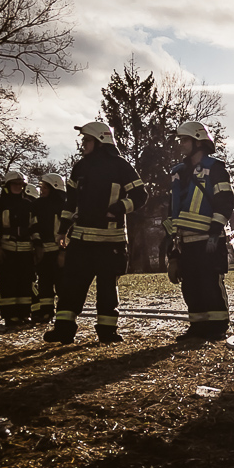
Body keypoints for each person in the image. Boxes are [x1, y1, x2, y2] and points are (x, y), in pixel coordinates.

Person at [44, 121, 147, 345]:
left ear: (101, 141)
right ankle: (63, 330)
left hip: (111, 241)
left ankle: (107, 332)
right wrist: (62, 231)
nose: (83, 144)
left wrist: (118, 208)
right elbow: (70, 203)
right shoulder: (80, 167)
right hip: (81, 240)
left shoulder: (121, 166)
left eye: (87, 140)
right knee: (71, 287)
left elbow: (140, 195)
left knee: (107, 289)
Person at [165, 120, 234, 342]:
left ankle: (218, 327)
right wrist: (172, 250)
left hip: (208, 238)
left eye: (185, 140)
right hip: (185, 241)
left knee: (210, 284)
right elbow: (172, 210)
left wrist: (215, 232)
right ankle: (197, 326)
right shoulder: (178, 173)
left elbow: (225, 202)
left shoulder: (216, 168)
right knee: (191, 286)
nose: (181, 145)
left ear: (198, 142)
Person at [0, 171, 36, 327]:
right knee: (7, 284)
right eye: (14, 184)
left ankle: (24, 314)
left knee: (25, 283)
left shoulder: (29, 205)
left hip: (26, 251)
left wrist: (37, 246)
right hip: (7, 249)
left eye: (20, 184)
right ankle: (9, 316)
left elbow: (35, 227)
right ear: (7, 186)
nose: (18, 187)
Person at [31, 173, 66, 324]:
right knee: (44, 284)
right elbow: (34, 226)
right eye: (42, 187)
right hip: (44, 253)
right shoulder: (37, 205)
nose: (42, 190)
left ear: (54, 188)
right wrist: (38, 246)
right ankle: (46, 313)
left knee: (62, 285)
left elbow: (67, 232)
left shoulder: (64, 207)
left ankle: (63, 315)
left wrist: (63, 252)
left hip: (59, 252)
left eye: (45, 187)